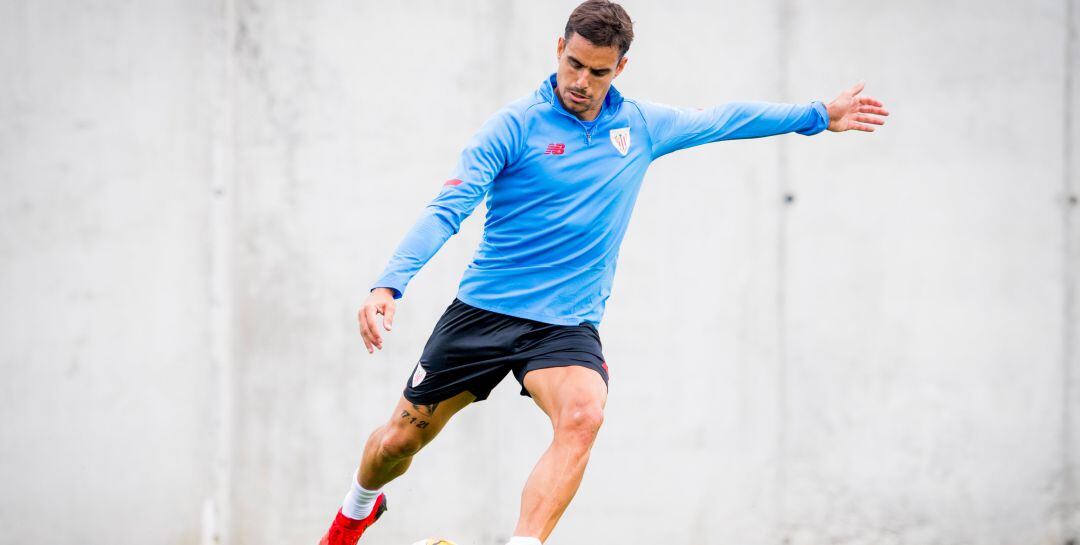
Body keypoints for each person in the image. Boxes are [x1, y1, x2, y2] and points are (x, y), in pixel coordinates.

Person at [319, 1, 888, 544]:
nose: (581, 81)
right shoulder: (512, 127)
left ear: (620, 67)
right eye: (572, 64)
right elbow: (449, 207)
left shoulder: (641, 126)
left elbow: (724, 118)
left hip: (564, 328)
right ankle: (356, 510)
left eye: (597, 71)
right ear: (558, 48)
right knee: (397, 443)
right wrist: (388, 284)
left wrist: (820, 116)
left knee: (585, 414)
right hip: (482, 314)